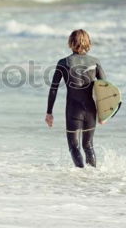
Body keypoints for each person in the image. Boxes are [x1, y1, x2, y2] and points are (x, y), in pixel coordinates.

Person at [45, 29, 106, 168]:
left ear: (71, 42)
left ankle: (82, 177)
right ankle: (92, 177)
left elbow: (53, 88)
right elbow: (105, 89)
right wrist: (104, 114)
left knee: (74, 147)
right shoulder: (95, 62)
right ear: (88, 42)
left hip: (73, 110)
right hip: (91, 110)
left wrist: (49, 112)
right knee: (88, 146)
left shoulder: (63, 62)